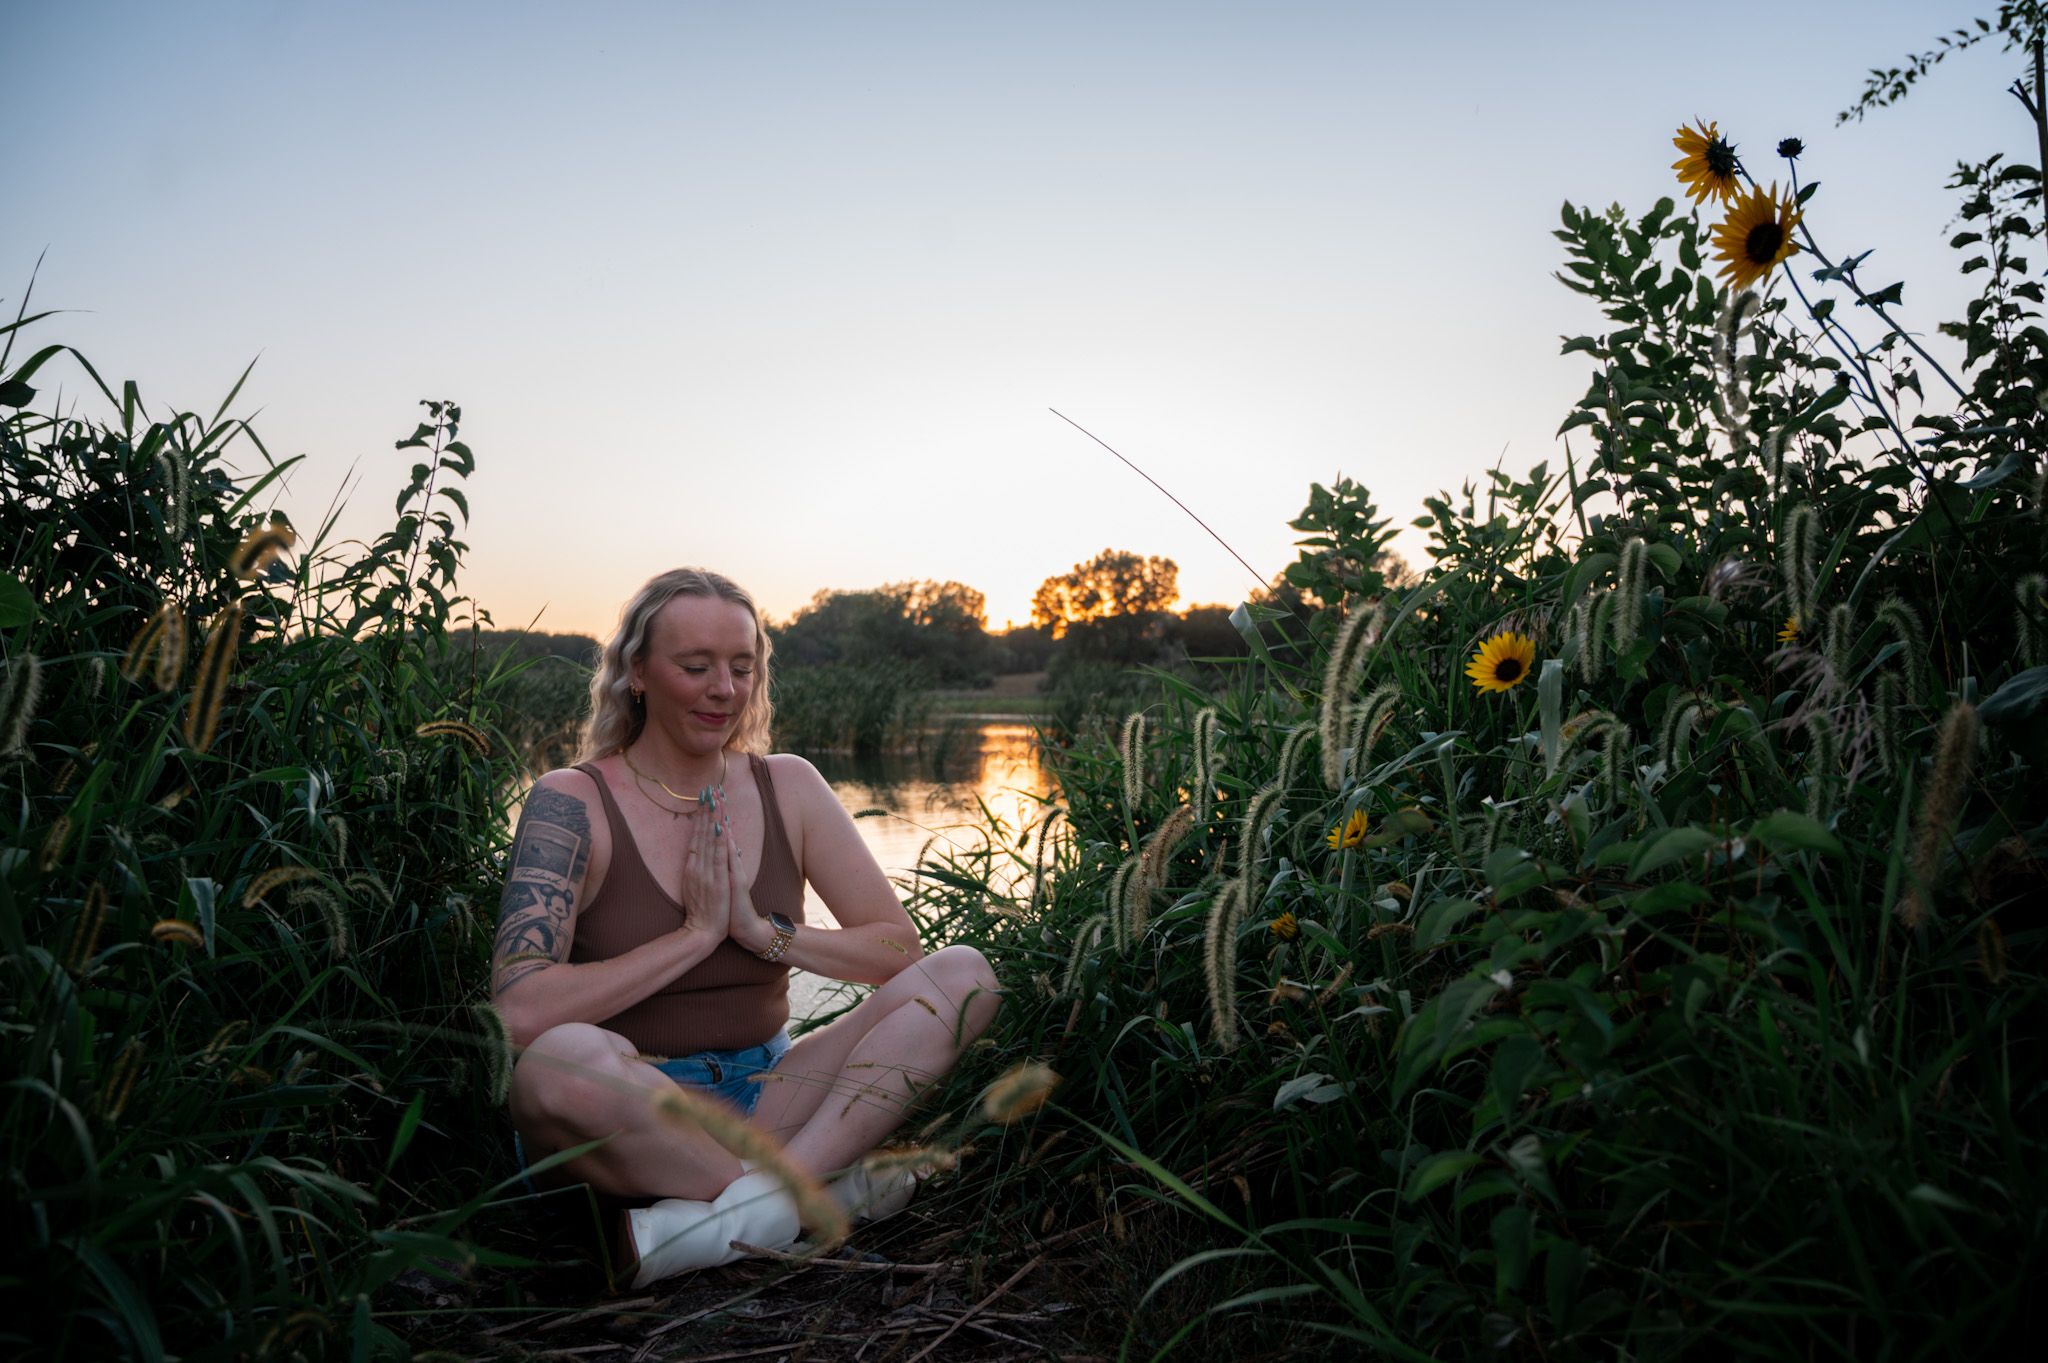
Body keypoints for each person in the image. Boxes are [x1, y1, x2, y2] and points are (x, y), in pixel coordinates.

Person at [492, 568, 1002, 1286]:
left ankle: (758, 1204)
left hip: (768, 1091)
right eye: (695, 666)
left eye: (741, 666)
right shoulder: (570, 801)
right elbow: (517, 1016)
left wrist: (765, 934)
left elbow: (897, 951)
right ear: (637, 671)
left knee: (963, 975)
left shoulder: (787, 785)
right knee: (555, 1063)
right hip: (629, 1115)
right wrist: (694, 937)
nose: (724, 689)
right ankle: (821, 1190)